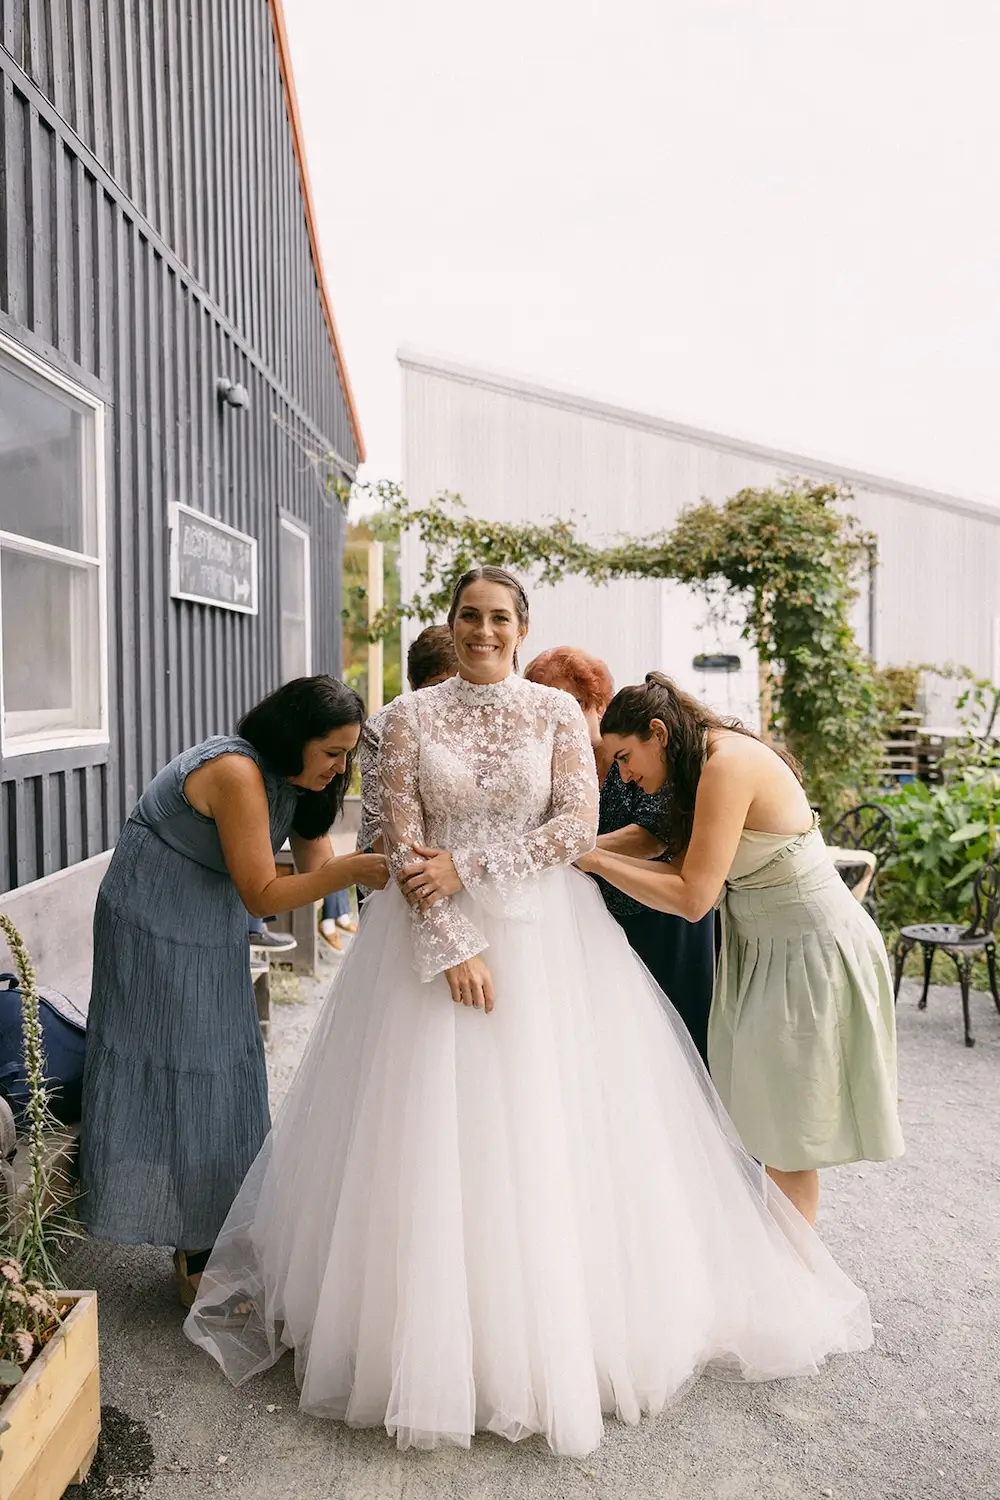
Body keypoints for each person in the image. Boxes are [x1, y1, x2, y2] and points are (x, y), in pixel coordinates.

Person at [185, 568, 872, 1459]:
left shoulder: (553, 714)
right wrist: (450, 944)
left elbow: (571, 827)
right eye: (469, 615)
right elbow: (395, 845)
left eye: (499, 618)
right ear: (453, 623)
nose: (482, 630)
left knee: (548, 1130)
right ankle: (418, 1340)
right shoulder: (404, 717)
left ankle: (548, 1335)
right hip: (427, 948)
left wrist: (472, 872)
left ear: (521, 627)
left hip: (547, 940)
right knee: (425, 1138)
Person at [79, 676, 389, 1307]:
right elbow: (265, 895)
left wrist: (380, 894)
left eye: (347, 754)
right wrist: (355, 868)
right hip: (152, 912)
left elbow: (316, 872)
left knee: (226, 1061)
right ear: (294, 738)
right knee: (184, 1066)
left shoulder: (305, 785)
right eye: (332, 752)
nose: (340, 767)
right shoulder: (236, 770)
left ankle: (218, 1225)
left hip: (210, 912)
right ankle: (191, 1243)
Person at [578, 672, 904, 1225]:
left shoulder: (726, 766)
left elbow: (692, 895)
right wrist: (572, 847)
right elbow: (663, 843)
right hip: (764, 953)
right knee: (753, 1116)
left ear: (658, 732)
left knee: (786, 1138)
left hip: (810, 952)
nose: (623, 776)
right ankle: (776, 1267)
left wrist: (591, 859)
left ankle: (799, 1288)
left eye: (626, 758)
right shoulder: (695, 761)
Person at [523, 646, 714, 1063]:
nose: (560, 715)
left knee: (677, 1045)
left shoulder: (641, 752)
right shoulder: (550, 766)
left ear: (599, 705)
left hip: (661, 915)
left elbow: (652, 835)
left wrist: (571, 848)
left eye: (572, 703)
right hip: (596, 921)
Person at [353, 624, 458, 895]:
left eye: (456, 685)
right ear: (413, 684)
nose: (446, 697)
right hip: (388, 875)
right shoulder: (382, 726)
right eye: (437, 686)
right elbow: (378, 823)